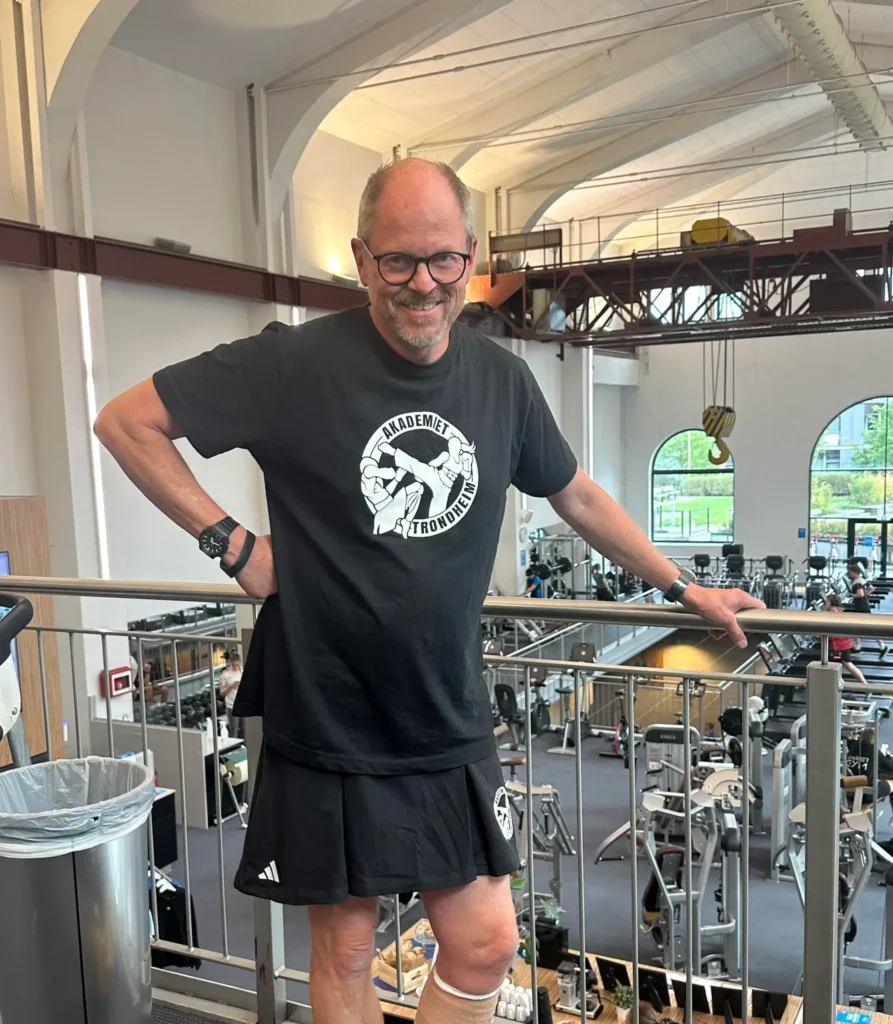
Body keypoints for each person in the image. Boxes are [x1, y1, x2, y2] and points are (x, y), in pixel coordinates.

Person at [94, 157, 761, 1024]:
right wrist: (232, 544)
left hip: (444, 706)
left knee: (485, 942)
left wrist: (683, 587)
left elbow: (576, 494)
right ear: (361, 258)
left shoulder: (501, 380)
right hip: (326, 703)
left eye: (442, 259)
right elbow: (126, 421)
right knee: (345, 949)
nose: (422, 283)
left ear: (469, 259)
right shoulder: (292, 363)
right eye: (398, 260)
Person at [824, 594, 868, 685]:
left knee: (844, 665)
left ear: (831, 603)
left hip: (839, 646)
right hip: (842, 644)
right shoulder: (838, 611)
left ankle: (864, 686)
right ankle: (844, 685)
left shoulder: (833, 614)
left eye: (827, 602)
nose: (826, 603)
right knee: (835, 666)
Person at [847, 563, 887, 657]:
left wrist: (850, 595)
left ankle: (881, 646)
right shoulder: (862, 580)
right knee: (856, 626)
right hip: (863, 605)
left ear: (856, 572)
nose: (849, 574)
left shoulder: (857, 582)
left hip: (860, 607)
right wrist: (865, 595)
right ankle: (858, 647)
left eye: (851, 572)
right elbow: (871, 588)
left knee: (868, 627)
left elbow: (860, 594)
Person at [219, 651, 244, 738]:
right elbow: (222, 693)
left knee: (244, 732)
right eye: (234, 665)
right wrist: (230, 686)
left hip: (243, 705)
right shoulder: (225, 674)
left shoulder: (242, 672)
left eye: (237, 665)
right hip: (231, 706)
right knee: (234, 732)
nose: (236, 667)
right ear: (230, 664)